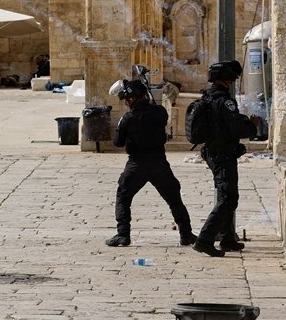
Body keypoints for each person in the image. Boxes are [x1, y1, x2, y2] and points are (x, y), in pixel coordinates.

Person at [105, 79, 196, 248]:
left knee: (123, 197)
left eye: (127, 99)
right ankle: (186, 234)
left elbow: (118, 142)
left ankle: (123, 235)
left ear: (132, 99)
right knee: (174, 199)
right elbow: (159, 118)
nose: (126, 103)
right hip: (159, 163)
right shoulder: (160, 112)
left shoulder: (128, 118)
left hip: (136, 164)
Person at [191, 60, 261, 257]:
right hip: (223, 155)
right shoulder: (225, 101)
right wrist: (252, 124)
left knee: (227, 195)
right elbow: (236, 128)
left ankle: (227, 239)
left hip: (213, 153)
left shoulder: (208, 97)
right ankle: (204, 240)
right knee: (228, 198)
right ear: (227, 79)